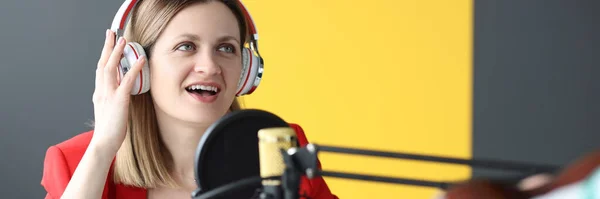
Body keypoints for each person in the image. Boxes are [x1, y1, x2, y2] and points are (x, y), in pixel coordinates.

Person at [40, 0, 339, 198]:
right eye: (186, 46)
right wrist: (103, 147)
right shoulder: (78, 162)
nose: (209, 67)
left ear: (247, 70)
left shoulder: (278, 148)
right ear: (137, 64)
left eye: (226, 48)